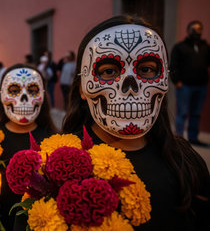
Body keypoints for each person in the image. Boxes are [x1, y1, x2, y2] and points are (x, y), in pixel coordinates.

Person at [62, 15, 209, 230]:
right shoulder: (59, 163)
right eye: (109, 71)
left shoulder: (187, 165)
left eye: (147, 70)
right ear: (84, 87)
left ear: (164, 79)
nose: (130, 87)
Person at [0, 64, 57, 230]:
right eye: (14, 90)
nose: (23, 99)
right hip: (0, 218)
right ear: (2, 96)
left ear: (42, 96)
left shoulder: (52, 140)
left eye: (33, 91)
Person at [170, 20, 210, 147]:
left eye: (199, 29)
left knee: (196, 113)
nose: (196, 32)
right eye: (194, 29)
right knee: (182, 113)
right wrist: (176, 82)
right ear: (188, 31)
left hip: (201, 86)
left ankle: (193, 138)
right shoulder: (180, 47)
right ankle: (179, 140)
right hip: (184, 86)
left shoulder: (205, 47)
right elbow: (173, 66)